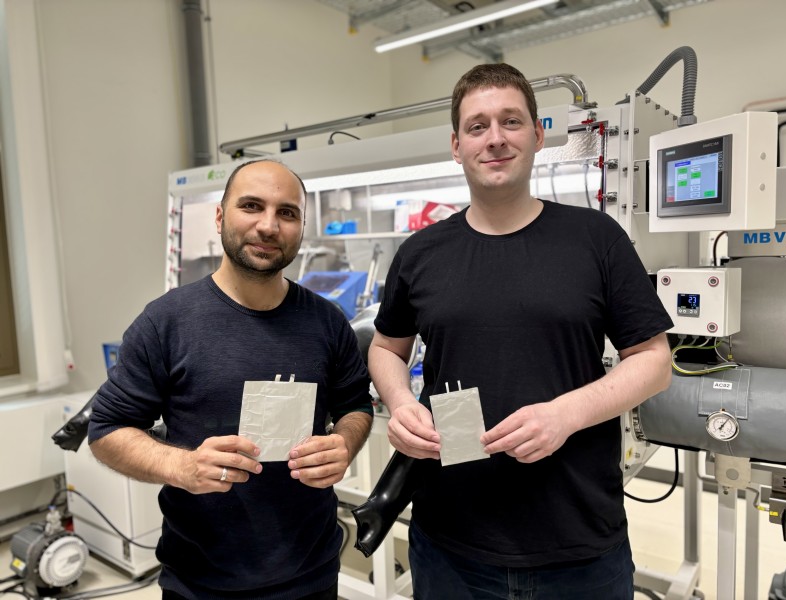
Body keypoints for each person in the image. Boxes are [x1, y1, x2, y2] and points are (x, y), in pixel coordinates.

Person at [368, 63, 673, 599]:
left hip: (579, 544)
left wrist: (564, 414)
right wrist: (400, 403)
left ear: (537, 135)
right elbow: (386, 348)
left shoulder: (596, 238)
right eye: (477, 126)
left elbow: (654, 360)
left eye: (510, 121)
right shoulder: (420, 253)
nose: (495, 138)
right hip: (450, 544)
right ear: (457, 145)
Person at [89, 159, 374, 600]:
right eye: (251, 206)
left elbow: (355, 405)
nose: (269, 226)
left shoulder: (327, 321)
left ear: (301, 227)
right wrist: (182, 466)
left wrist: (344, 443)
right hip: (201, 583)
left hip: (312, 575)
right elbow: (107, 429)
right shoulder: (166, 322)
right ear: (220, 216)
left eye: (287, 213)